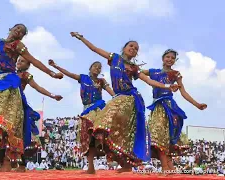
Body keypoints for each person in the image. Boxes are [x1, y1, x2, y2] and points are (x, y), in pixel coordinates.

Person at [70, 32, 180, 173]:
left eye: (136, 49)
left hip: (130, 98)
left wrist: (166, 86)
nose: (133, 49)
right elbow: (95, 49)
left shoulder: (134, 68)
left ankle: (104, 137)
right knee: (125, 134)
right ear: (124, 47)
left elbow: (148, 80)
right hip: (119, 97)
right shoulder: (114, 58)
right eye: (131, 46)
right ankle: (126, 165)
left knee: (110, 118)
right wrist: (81, 38)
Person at [0, 23, 63, 172]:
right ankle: (1, 160)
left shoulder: (18, 46)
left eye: (22, 32)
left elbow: (35, 61)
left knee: (5, 124)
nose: (18, 32)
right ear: (10, 28)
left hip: (9, 88)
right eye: (17, 28)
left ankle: (8, 162)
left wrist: (52, 74)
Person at [141, 49, 207, 172]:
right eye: (168, 57)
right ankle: (169, 169)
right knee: (158, 136)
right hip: (157, 107)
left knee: (165, 136)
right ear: (163, 58)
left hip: (169, 107)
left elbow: (183, 92)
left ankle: (167, 169)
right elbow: (138, 73)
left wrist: (197, 104)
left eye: (172, 58)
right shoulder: (153, 72)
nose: (170, 59)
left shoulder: (175, 74)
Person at [48, 59, 115, 174]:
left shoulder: (102, 81)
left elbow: (111, 92)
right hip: (86, 111)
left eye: (99, 68)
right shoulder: (83, 78)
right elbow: (69, 74)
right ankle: (91, 167)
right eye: (95, 66)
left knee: (99, 134)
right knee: (88, 139)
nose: (97, 69)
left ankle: (110, 159)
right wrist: (56, 66)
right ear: (90, 68)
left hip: (98, 109)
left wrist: (118, 99)